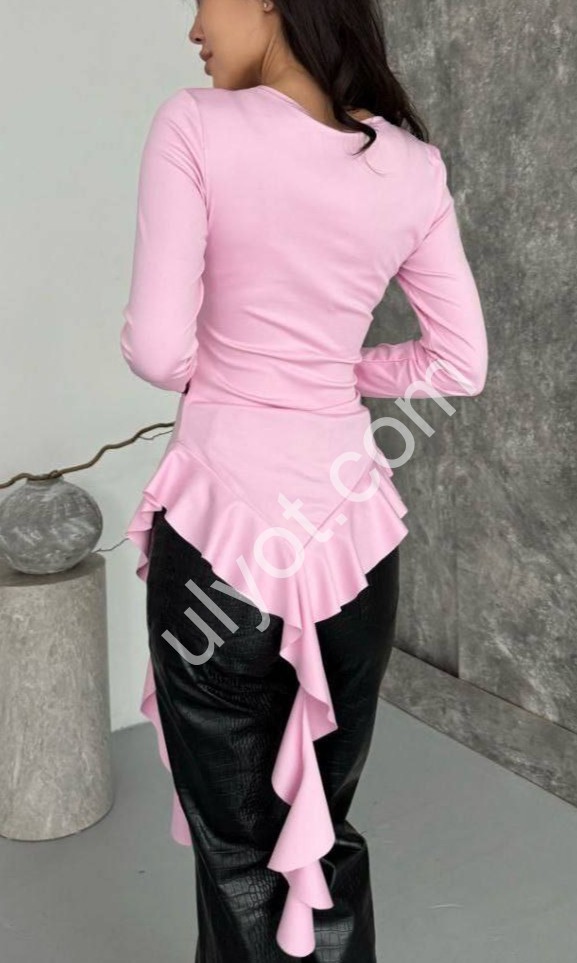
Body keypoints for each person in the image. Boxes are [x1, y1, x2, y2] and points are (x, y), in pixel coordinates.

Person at [120, 0, 489, 959]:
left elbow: (158, 349)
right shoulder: (411, 167)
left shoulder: (196, 125)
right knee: (319, 835)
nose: (193, 28)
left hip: (222, 538)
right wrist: (334, 370)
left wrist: (235, 372)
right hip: (351, 546)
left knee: (238, 854)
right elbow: (460, 363)